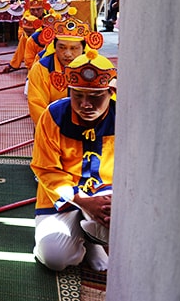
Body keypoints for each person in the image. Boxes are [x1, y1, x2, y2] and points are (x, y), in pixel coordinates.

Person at [30, 50, 116, 271]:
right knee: (54, 258)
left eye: (96, 97)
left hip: (108, 196)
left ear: (111, 92)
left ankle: (94, 238)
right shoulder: (54, 115)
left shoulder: (124, 115)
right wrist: (82, 200)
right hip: (61, 199)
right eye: (78, 96)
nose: (86, 104)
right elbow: (45, 169)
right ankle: (85, 237)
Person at [27, 15, 103, 126]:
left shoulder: (95, 69)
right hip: (51, 128)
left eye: (74, 48)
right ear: (54, 46)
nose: (67, 54)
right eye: (62, 47)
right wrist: (56, 129)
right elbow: (37, 106)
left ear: (83, 49)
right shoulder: (41, 68)